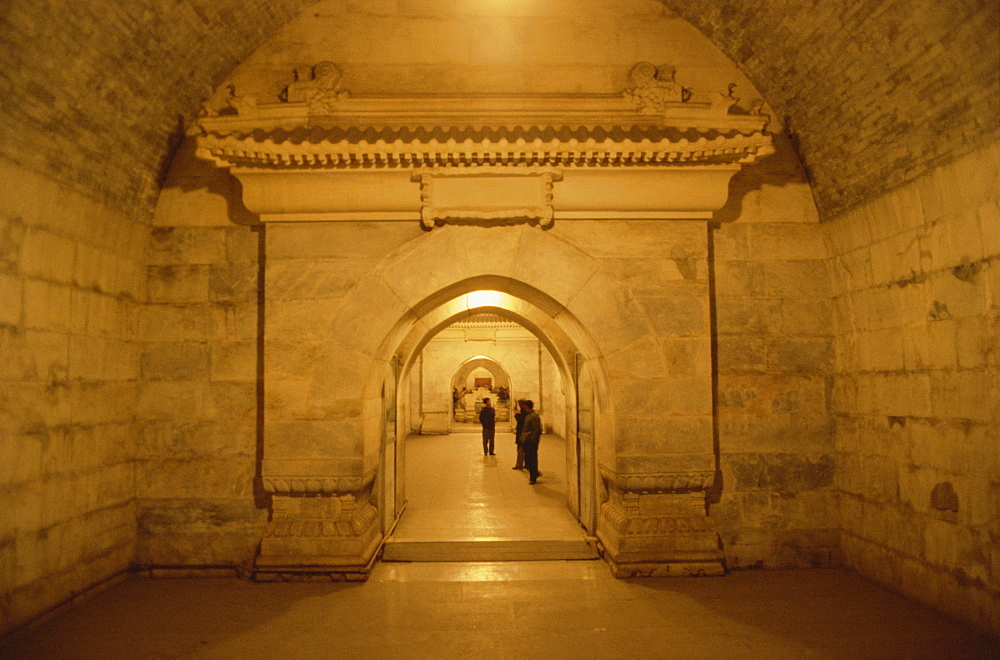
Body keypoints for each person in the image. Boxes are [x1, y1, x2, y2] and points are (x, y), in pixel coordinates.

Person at [518, 400, 542, 484]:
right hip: (527, 440)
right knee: (528, 458)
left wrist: (533, 441)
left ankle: (533, 477)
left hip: (531, 441)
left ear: (527, 407)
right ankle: (534, 473)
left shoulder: (534, 416)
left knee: (532, 459)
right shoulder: (529, 415)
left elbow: (537, 430)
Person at [512, 399, 526, 470]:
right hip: (523, 433)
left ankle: (519, 465)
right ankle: (525, 464)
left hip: (521, 433)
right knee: (524, 449)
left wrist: (517, 414)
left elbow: (520, 420)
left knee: (520, 449)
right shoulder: (524, 411)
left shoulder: (524, 412)